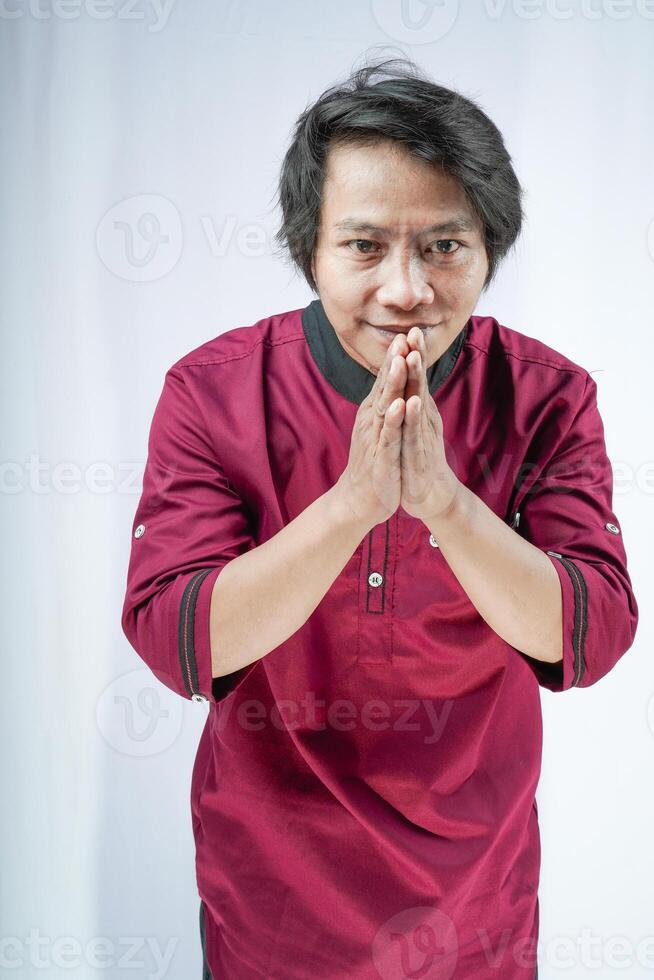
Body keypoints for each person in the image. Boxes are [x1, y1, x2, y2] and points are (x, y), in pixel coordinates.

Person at [121, 56, 639, 979]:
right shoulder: (212, 394)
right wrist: (356, 502)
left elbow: (588, 637)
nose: (406, 290)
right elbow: (178, 643)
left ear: (490, 249)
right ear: (309, 249)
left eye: (445, 245)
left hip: (477, 909)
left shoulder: (551, 399)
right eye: (364, 246)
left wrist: (441, 499)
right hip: (272, 907)